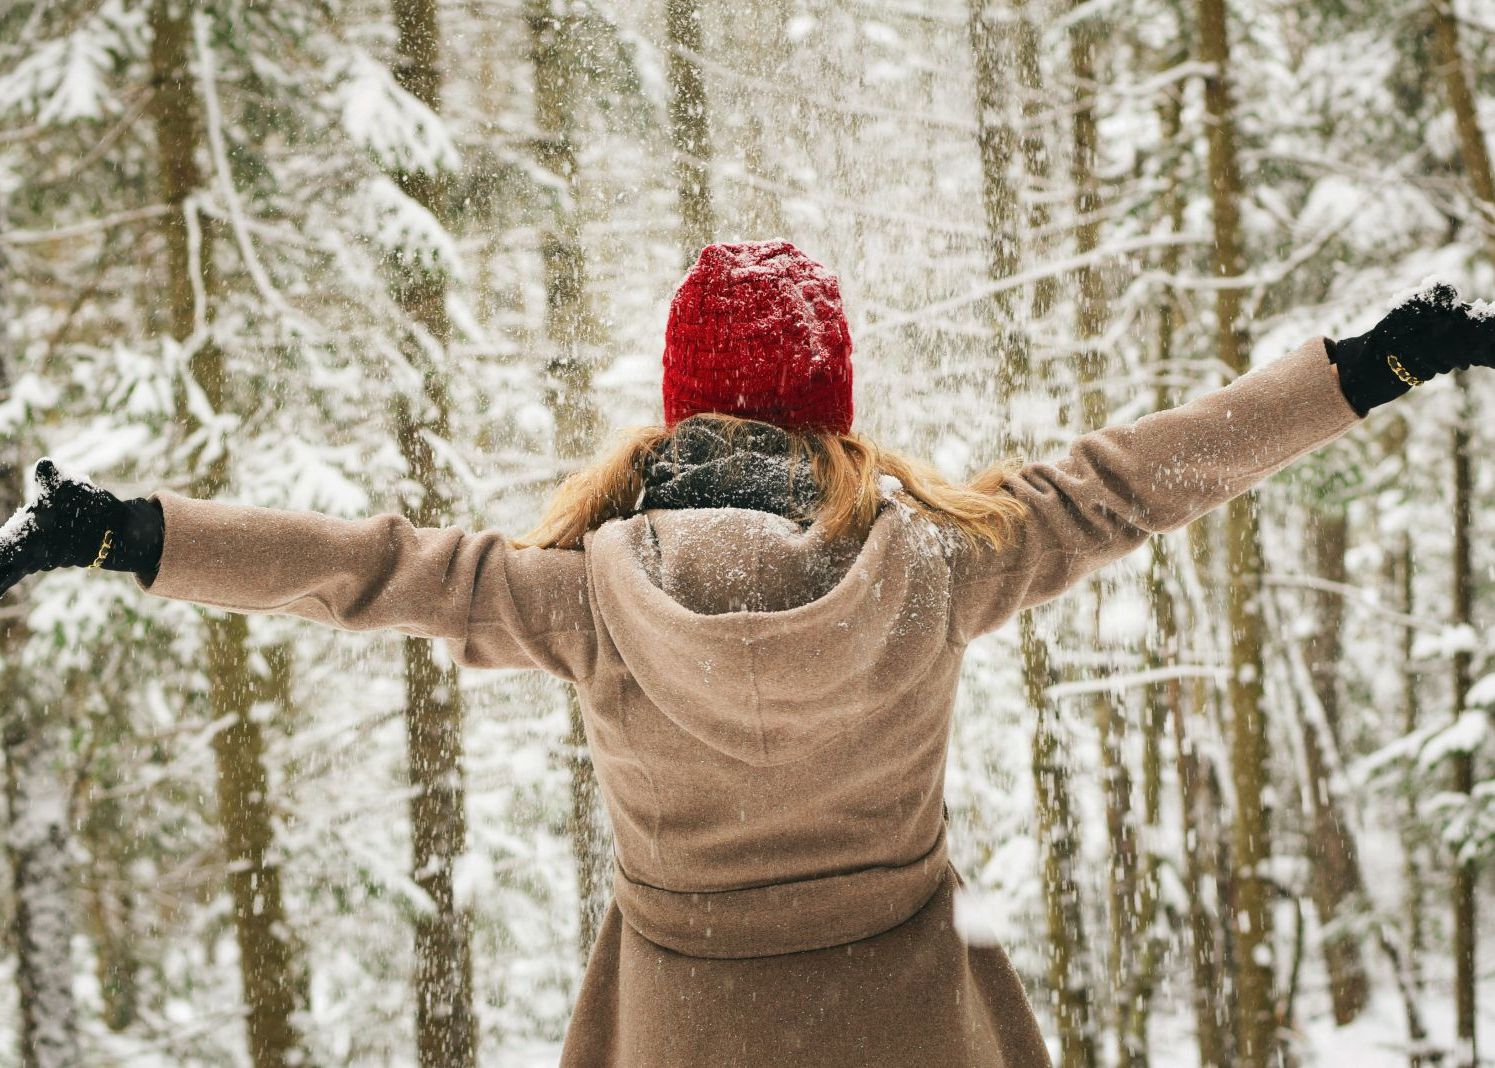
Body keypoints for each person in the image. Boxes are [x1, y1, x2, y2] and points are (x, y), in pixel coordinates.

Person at [1, 240, 1491, 1067]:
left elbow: (369, 572)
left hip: (683, 1030)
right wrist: (1374, 364)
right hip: (913, 1028)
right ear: (831, 407)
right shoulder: (937, 568)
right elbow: (1135, 481)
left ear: (678, 408)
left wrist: (127, 532)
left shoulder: (584, 597)